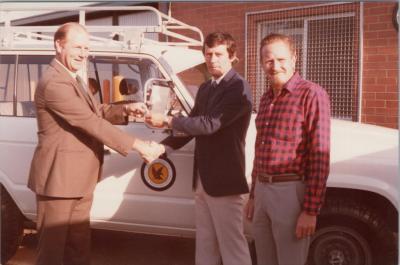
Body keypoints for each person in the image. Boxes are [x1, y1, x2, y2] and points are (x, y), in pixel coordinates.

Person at [28, 22, 164, 265]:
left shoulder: (73, 78)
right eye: (77, 47)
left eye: (87, 48)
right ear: (59, 46)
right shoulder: (54, 82)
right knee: (51, 255)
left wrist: (125, 109)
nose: (83, 53)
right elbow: (89, 121)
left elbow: (95, 111)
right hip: (59, 183)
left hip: (79, 180)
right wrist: (140, 145)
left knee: (78, 252)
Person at [146, 32, 253, 265]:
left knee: (232, 247)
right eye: (208, 54)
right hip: (203, 178)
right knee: (205, 244)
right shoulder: (206, 88)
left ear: (232, 57)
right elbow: (191, 125)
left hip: (224, 180)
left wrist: (166, 120)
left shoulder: (238, 88)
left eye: (218, 54)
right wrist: (162, 149)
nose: (212, 59)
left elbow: (209, 124)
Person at [244, 33, 331, 265]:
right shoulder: (265, 99)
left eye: (281, 59)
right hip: (262, 189)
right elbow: (260, 149)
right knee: (264, 260)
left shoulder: (312, 94)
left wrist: (310, 211)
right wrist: (253, 195)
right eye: (269, 61)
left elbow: (319, 155)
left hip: (290, 192)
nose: (275, 66)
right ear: (262, 63)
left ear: (294, 58)